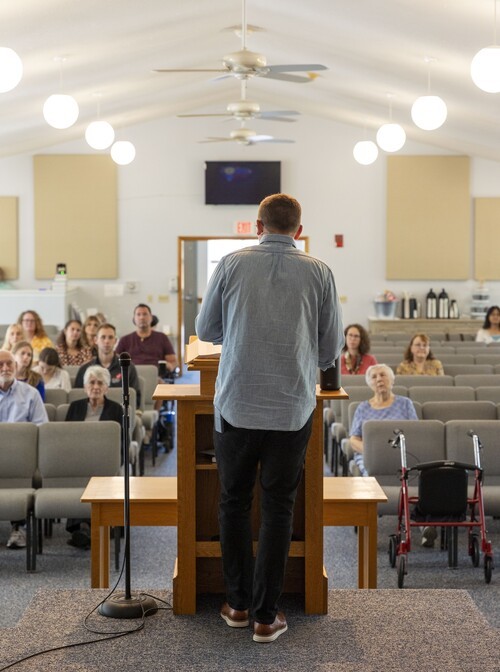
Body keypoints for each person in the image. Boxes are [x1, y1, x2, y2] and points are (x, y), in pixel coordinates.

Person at [195, 193, 344, 643]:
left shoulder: (231, 264)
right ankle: (266, 615)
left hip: (236, 405)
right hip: (291, 407)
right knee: (279, 508)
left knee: (233, 503)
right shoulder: (319, 272)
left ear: (257, 226)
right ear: (298, 231)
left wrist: (242, 330)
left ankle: (237, 605)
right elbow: (329, 348)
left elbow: (205, 330)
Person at [349, 363, 437, 548]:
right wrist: (371, 451)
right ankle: (369, 528)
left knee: (418, 477)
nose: (379, 379)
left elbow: (416, 432)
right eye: (374, 377)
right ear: (369, 383)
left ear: (392, 379)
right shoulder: (362, 408)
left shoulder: (405, 403)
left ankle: (424, 525)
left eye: (383, 375)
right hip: (372, 457)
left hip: (403, 453)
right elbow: (354, 439)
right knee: (369, 473)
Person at [65, 365, 123, 549]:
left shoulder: (116, 409)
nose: (96, 387)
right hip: (78, 461)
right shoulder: (75, 407)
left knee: (97, 479)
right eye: (92, 382)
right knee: (77, 476)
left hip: (105, 462)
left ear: (107, 388)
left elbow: (122, 441)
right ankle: (88, 527)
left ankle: (87, 528)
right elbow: (66, 438)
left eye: (100, 383)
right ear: (85, 387)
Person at [0, 349, 48, 549]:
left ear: (16, 366)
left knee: (18, 467)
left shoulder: (30, 394)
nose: (5, 368)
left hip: (22, 457)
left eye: (9, 363)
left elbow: (41, 429)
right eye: (0, 364)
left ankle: (19, 527)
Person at [74, 323, 141, 407]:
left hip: (121, 411)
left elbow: (136, 398)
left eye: (110, 337)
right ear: (95, 340)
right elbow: (77, 396)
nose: (106, 341)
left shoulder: (127, 367)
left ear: (115, 341)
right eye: (103, 337)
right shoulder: (85, 369)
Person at [116, 303, 178, 371]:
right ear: (134, 319)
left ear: (151, 318)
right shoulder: (125, 340)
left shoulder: (162, 337)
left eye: (145, 314)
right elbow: (115, 361)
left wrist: (170, 366)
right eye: (138, 314)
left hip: (157, 374)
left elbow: (173, 362)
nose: (142, 317)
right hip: (132, 375)